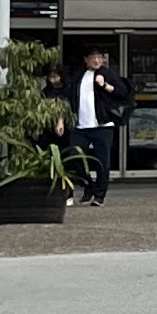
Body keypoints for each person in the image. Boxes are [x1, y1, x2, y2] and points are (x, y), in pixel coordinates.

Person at [65, 45, 121, 205]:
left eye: (99, 57)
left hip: (103, 126)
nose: (97, 60)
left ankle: (99, 195)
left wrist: (104, 85)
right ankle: (89, 184)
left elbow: (121, 93)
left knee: (102, 161)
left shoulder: (109, 74)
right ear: (86, 60)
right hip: (81, 126)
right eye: (93, 57)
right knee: (74, 157)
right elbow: (69, 98)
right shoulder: (79, 76)